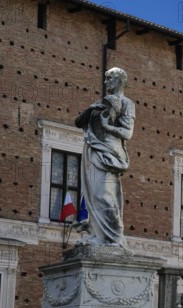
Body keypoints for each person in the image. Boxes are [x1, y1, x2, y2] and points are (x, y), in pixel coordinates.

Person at [74, 67, 135, 251]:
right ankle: (97, 234)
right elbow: (78, 122)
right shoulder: (100, 103)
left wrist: (108, 127)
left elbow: (128, 133)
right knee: (93, 193)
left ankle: (114, 238)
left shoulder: (127, 103)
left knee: (104, 195)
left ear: (118, 81)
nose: (105, 83)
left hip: (110, 152)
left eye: (109, 79)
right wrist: (90, 108)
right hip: (93, 149)